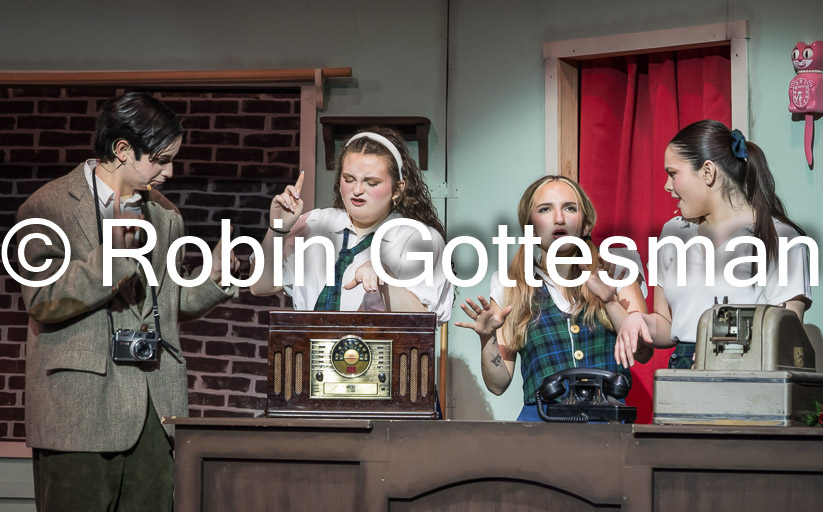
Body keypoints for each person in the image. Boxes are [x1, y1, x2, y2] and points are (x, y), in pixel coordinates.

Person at [16, 92, 239, 511]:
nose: (169, 172)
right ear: (122, 149)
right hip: (78, 411)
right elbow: (42, 298)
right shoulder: (48, 207)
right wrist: (116, 258)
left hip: (154, 406)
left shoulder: (165, 215)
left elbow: (168, 303)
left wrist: (211, 278)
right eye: (161, 160)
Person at [615, 120, 812, 369]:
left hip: (749, 376)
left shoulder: (779, 238)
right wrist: (638, 320)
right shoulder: (673, 233)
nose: (667, 186)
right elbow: (667, 324)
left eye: (673, 174)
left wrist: (727, 354)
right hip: (684, 372)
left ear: (708, 172)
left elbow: (786, 333)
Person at [455, 175, 650, 421]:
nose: (559, 218)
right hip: (541, 425)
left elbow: (643, 352)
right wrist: (487, 339)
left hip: (608, 424)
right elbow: (498, 384)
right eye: (545, 209)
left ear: (586, 224)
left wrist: (610, 302)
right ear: (531, 228)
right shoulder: (510, 285)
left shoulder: (617, 270)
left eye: (570, 208)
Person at [250, 127, 452, 323]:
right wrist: (278, 228)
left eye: (371, 183)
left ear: (397, 189)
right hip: (309, 344)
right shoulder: (315, 224)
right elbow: (260, 286)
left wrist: (385, 277)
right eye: (349, 179)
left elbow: (421, 323)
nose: (357, 190)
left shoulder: (418, 239)